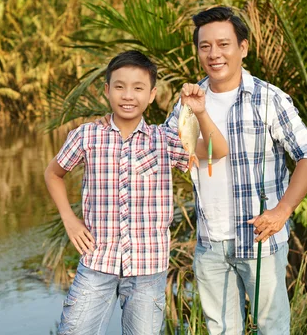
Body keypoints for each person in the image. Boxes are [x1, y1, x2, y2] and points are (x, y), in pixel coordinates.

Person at [163, 7, 307, 334]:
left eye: (224, 44)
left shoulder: (269, 99)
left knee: (271, 328)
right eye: (205, 46)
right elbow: (166, 151)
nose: (214, 54)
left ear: (243, 48)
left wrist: (282, 210)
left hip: (260, 238)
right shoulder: (188, 101)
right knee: (221, 330)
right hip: (210, 244)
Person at [44, 50, 228, 335]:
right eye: (120, 86)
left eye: (138, 88)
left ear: (152, 94)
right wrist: (69, 219)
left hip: (148, 269)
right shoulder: (86, 135)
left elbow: (218, 151)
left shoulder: (165, 140)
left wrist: (200, 111)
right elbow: (53, 173)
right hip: (96, 264)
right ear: (107, 90)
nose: (128, 95)